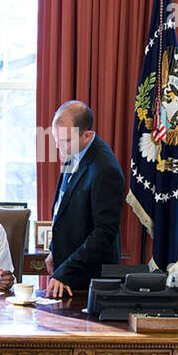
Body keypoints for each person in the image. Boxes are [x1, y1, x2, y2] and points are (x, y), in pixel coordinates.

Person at [44, 101, 123, 298]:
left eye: (65, 140)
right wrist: (55, 249)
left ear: (87, 135)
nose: (58, 146)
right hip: (68, 269)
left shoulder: (106, 170)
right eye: (56, 139)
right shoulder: (76, 148)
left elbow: (104, 233)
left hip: (89, 279)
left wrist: (66, 271)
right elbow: (64, 205)